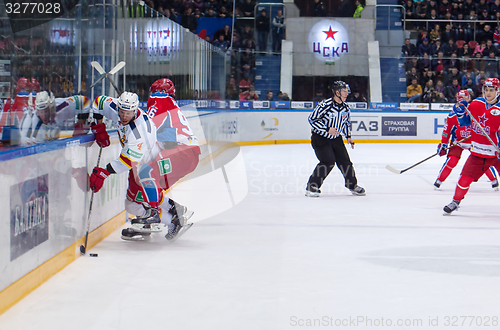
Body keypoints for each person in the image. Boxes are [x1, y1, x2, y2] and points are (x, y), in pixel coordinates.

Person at [89, 91, 194, 240]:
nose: (124, 116)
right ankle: (173, 208)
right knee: (131, 203)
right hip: (138, 165)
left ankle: (171, 223)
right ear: (118, 107)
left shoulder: (139, 131)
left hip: (146, 162)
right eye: (122, 112)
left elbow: (127, 161)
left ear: (135, 110)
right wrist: (99, 126)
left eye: (129, 113)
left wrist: (104, 172)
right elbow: (99, 102)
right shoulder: (116, 108)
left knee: (134, 203)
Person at [443, 78, 500, 214]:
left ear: (497, 91)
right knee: (464, 179)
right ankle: (455, 201)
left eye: (491, 90)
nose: (488, 93)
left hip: (496, 154)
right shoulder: (475, 104)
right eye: (486, 89)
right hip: (478, 153)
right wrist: (461, 112)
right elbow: (464, 122)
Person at [305, 81, 365, 197]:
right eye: (344, 91)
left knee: (346, 162)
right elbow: (312, 119)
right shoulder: (325, 105)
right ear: (337, 92)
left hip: (336, 138)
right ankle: (312, 185)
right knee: (328, 162)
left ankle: (352, 185)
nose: (347, 93)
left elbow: (346, 123)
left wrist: (348, 136)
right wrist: (327, 129)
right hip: (320, 138)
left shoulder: (346, 108)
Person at [434, 90, 499, 190]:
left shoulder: (476, 110)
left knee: (483, 160)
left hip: (474, 142)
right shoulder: (452, 115)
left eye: (465, 99)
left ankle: (493, 180)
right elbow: (446, 131)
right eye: (460, 99)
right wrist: (443, 144)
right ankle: (439, 180)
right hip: (458, 142)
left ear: (469, 99)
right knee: (451, 161)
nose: (462, 101)